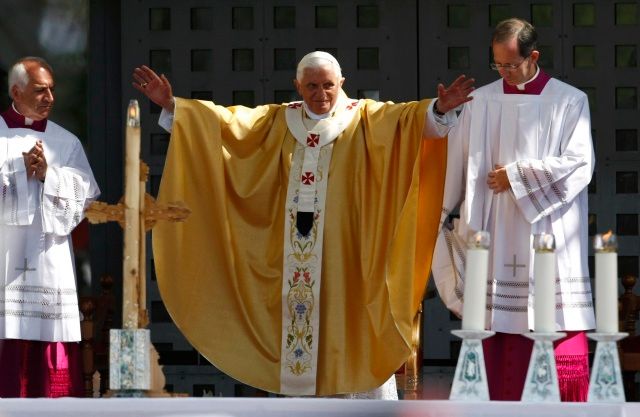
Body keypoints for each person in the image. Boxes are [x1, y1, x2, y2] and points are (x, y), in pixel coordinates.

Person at [133, 51, 474, 398]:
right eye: (312, 86)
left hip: (349, 256)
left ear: (342, 83)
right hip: (292, 261)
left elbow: (410, 122)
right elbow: (222, 124)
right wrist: (174, 105)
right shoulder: (277, 120)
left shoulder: (367, 118)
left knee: (351, 325)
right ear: (297, 86)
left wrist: (440, 109)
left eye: (328, 85)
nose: (321, 93)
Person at [432, 18, 595, 401]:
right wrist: (438, 214)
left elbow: (579, 163)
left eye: (510, 64)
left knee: (552, 319)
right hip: (494, 230)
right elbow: (455, 160)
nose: (504, 72)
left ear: (533, 56)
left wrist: (517, 176)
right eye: (497, 65)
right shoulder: (480, 102)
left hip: (546, 230)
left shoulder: (569, 100)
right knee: (497, 326)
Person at [0, 56, 100, 397]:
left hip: (48, 263)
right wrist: (16, 171)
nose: (50, 99)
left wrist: (48, 175)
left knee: (48, 346)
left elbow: (86, 197)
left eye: (52, 91)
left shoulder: (65, 142)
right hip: (4, 262)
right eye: (40, 90)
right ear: (16, 90)